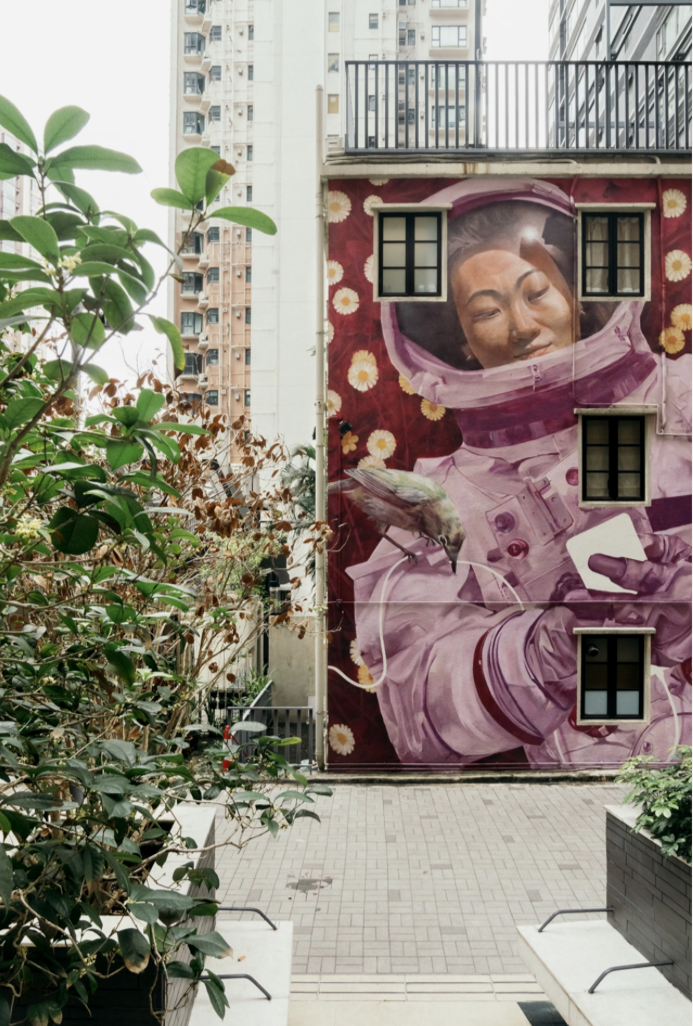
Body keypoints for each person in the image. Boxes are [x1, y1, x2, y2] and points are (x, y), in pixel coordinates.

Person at [347, 177, 691, 768]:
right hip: (575, 812)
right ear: (460, 343)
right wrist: (535, 656)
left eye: (538, 293)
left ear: (577, 297)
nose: (522, 326)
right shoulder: (436, 507)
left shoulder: (680, 400)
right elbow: (413, 706)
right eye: (487, 311)